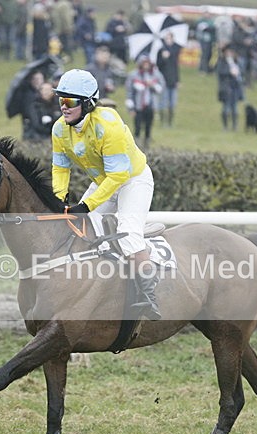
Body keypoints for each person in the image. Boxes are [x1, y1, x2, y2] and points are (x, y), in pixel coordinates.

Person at [51, 68, 162, 320]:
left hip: (133, 180)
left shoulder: (108, 125)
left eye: (69, 101)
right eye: (60, 101)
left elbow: (119, 177)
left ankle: (149, 296)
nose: (63, 108)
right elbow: (60, 167)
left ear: (88, 103)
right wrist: (59, 198)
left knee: (128, 234)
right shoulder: (59, 130)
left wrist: (87, 205)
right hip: (105, 182)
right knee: (78, 228)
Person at [124, 54, 165, 148]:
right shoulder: (134, 75)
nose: (146, 66)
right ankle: (136, 144)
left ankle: (147, 142)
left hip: (150, 105)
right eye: (144, 63)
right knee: (137, 126)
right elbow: (129, 92)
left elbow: (161, 87)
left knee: (148, 125)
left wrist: (152, 85)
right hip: (138, 105)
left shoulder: (156, 74)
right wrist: (131, 108)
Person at [155, 31, 181, 127]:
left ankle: (170, 122)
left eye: (170, 38)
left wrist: (178, 80)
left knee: (172, 103)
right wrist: (163, 58)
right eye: (167, 38)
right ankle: (163, 122)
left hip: (172, 81)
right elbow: (158, 65)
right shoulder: (161, 51)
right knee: (163, 102)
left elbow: (175, 67)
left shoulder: (174, 51)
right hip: (164, 80)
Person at [215, 44, 243, 131]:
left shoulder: (236, 62)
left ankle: (235, 126)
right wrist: (229, 72)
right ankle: (225, 126)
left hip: (235, 87)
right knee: (225, 109)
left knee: (235, 109)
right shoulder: (221, 62)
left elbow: (241, 74)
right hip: (226, 88)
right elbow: (220, 73)